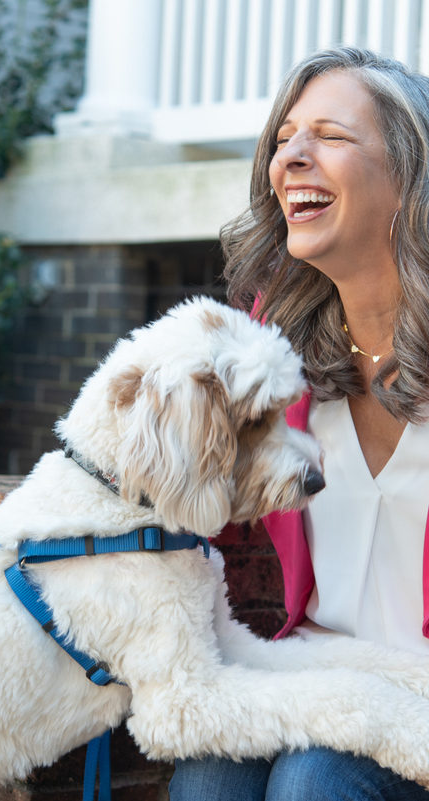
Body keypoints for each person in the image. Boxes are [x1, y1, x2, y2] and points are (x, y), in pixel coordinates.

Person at [169, 46, 429, 801]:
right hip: (321, 682)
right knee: (208, 772)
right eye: (283, 139)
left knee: (313, 781)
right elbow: (185, 493)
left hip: (412, 708)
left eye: (330, 136)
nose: (291, 158)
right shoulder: (274, 345)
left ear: (409, 173)